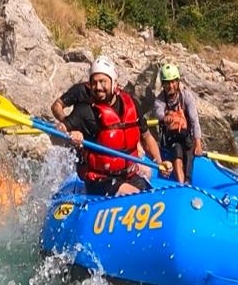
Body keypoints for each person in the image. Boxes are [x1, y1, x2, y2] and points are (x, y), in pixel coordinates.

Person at [52, 57, 170, 196]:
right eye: (94, 82)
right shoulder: (85, 111)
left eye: (103, 81)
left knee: (154, 196)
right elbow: (58, 132)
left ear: (114, 83)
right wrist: (69, 135)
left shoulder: (131, 104)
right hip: (101, 181)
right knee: (136, 195)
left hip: (129, 174)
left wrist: (160, 162)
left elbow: (147, 137)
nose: (98, 87)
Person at [152, 62, 202, 183]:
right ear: (163, 84)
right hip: (170, 140)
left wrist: (198, 143)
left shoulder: (186, 96)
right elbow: (158, 112)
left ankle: (188, 182)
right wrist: (165, 117)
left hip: (186, 137)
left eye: (173, 81)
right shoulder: (160, 100)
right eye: (167, 83)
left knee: (189, 154)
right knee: (177, 149)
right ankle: (181, 183)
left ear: (178, 81)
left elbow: (194, 120)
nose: (171, 85)